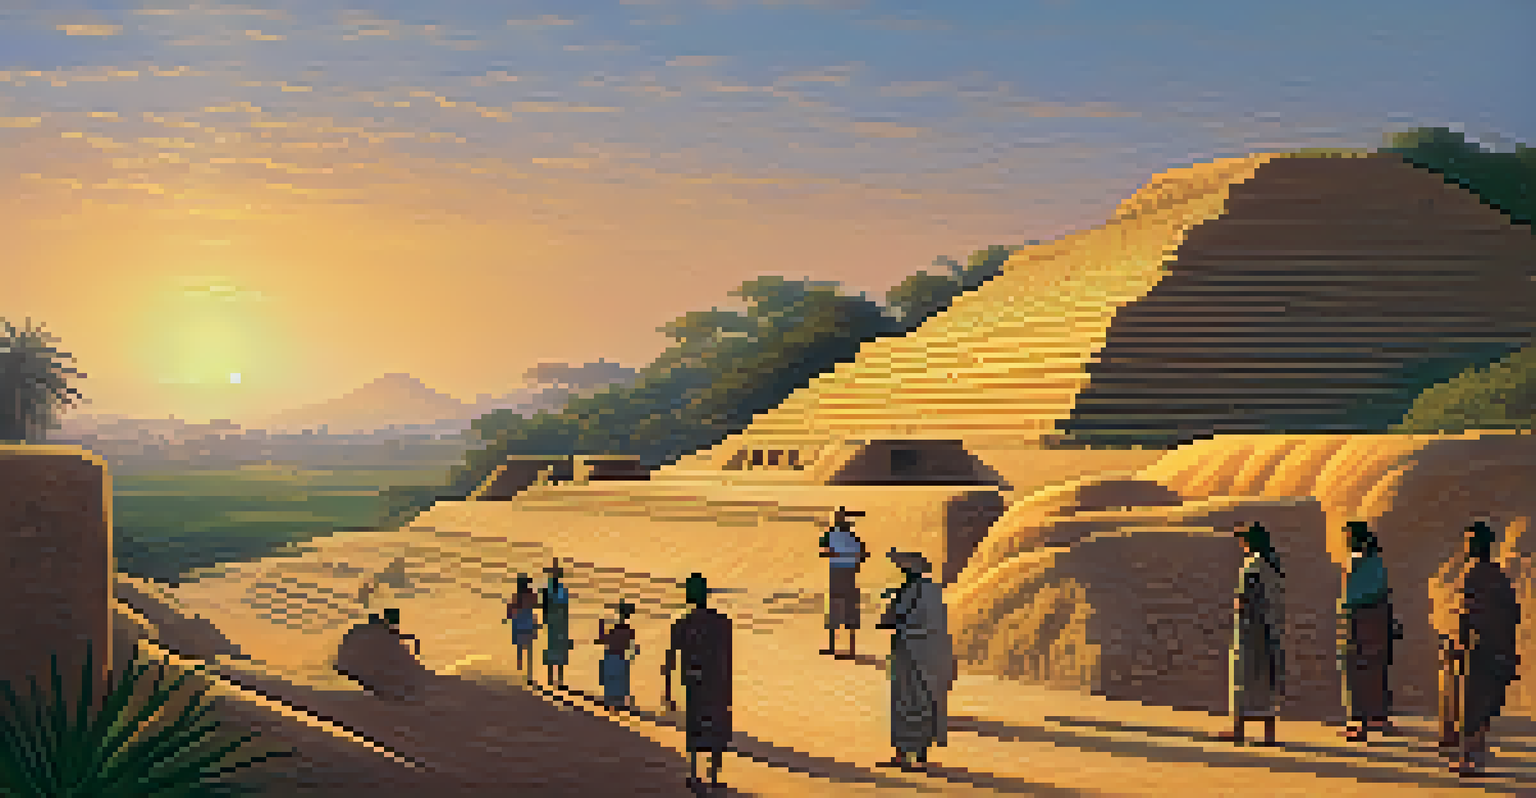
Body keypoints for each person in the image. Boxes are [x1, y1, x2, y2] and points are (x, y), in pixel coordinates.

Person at [1440, 519, 1521, 776]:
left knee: (1472, 704)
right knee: (1483, 705)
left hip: (1478, 648)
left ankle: (1469, 760)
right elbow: (1512, 614)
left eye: (1470, 541)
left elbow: (1469, 613)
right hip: (1497, 647)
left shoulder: (1473, 574)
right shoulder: (1499, 575)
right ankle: (1475, 757)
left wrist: (1459, 643)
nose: (1466, 546)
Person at [874, 549, 955, 772]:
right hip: (921, 656)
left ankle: (910, 756)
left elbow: (901, 619)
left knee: (912, 703)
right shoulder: (927, 590)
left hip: (915, 655)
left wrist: (894, 619)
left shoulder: (916, 591)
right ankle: (912, 755)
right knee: (915, 703)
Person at [663, 572, 733, 790]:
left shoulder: (682, 624)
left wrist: (668, 692)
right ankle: (712, 775)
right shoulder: (721, 623)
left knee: (695, 727)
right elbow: (727, 658)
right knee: (715, 728)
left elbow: (670, 659)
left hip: (694, 683)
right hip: (715, 684)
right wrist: (727, 689)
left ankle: (695, 773)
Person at [1218, 521, 1286, 746]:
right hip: (1269, 629)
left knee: (1245, 678)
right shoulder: (1271, 564)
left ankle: (1239, 729)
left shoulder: (1255, 566)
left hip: (1253, 629)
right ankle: (1268, 734)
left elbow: (1251, 598)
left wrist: (1241, 605)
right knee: (1265, 681)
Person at [1338, 521, 1400, 742]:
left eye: (1348, 537)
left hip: (1359, 620)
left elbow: (1351, 597)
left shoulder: (1356, 562)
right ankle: (1378, 717)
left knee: (1356, 670)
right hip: (1378, 620)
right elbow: (1384, 592)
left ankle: (1358, 723)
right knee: (1377, 669)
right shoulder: (1376, 562)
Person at [819, 507, 870, 658]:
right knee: (849, 609)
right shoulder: (853, 537)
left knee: (837, 608)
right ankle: (849, 649)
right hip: (849, 575)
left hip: (837, 574)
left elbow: (824, 550)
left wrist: (835, 554)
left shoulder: (833, 534)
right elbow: (863, 554)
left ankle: (834, 647)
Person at [596, 600, 640, 711]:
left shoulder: (616, 629)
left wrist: (601, 627)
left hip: (612, 657)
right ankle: (619, 703)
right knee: (620, 683)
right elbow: (631, 646)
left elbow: (603, 639)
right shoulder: (629, 630)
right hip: (620, 657)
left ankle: (611, 702)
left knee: (612, 682)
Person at [542, 559, 574, 686]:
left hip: (555, 622)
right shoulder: (556, 590)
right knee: (557, 650)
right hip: (557, 622)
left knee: (555, 649)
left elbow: (546, 607)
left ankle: (554, 678)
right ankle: (556, 678)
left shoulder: (552, 590)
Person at [503, 573, 540, 682]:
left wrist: (508, 617)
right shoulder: (530, 595)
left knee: (520, 649)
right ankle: (529, 674)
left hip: (519, 625)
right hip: (528, 625)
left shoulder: (516, 596)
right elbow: (536, 603)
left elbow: (510, 611)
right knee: (529, 650)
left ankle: (520, 671)